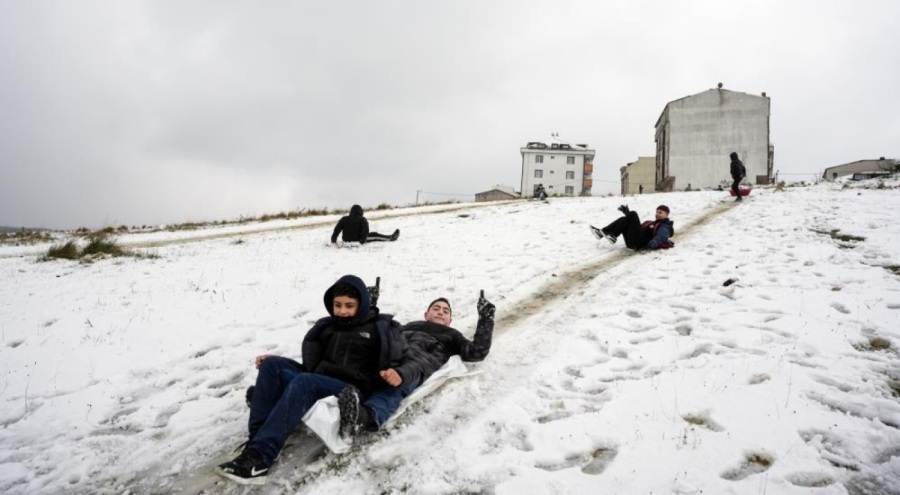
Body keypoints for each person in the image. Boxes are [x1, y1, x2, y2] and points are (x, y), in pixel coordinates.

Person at [216, 275, 407, 485]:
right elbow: (311, 363)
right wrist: (282, 364)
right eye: (338, 305)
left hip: (349, 389)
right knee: (272, 365)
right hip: (318, 378)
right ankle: (256, 444)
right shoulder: (327, 326)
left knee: (306, 382)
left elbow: (397, 361)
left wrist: (394, 375)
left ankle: (261, 458)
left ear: (361, 305)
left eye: (349, 306)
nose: (342, 311)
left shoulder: (378, 328)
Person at [336, 292, 495, 439]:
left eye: (445, 311)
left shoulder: (452, 335)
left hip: (416, 364)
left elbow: (476, 352)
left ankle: (364, 417)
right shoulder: (411, 325)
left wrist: (485, 319)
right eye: (436, 308)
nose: (440, 312)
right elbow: (381, 333)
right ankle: (345, 397)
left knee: (396, 383)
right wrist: (369, 305)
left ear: (449, 321)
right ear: (426, 314)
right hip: (392, 354)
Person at [589, 204, 674, 250]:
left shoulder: (665, 226)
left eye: (660, 212)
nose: (657, 214)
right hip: (632, 243)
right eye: (657, 212)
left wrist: (652, 244)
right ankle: (602, 233)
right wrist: (627, 214)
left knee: (633, 214)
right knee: (624, 218)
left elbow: (661, 236)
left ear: (666, 215)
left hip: (640, 244)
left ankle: (612, 235)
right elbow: (636, 229)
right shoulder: (651, 223)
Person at [330, 204, 399, 246]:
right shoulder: (362, 219)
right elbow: (365, 231)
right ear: (360, 212)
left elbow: (336, 230)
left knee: (371, 234)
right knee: (374, 235)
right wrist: (362, 241)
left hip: (346, 240)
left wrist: (333, 240)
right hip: (358, 240)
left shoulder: (344, 219)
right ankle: (390, 238)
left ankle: (390, 237)